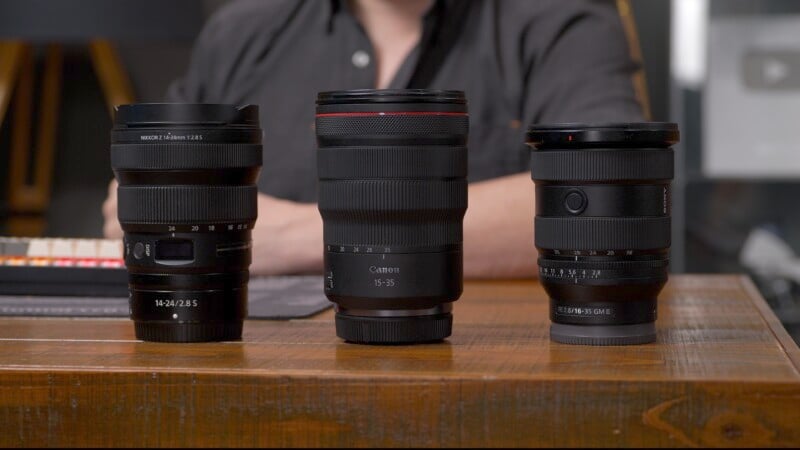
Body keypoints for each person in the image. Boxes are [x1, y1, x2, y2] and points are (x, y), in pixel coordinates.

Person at [103, 0, 645, 278]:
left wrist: (296, 237)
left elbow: (615, 200)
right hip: (246, 375)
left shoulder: (559, 21)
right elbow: (136, 205)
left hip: (487, 373)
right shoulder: (241, 33)